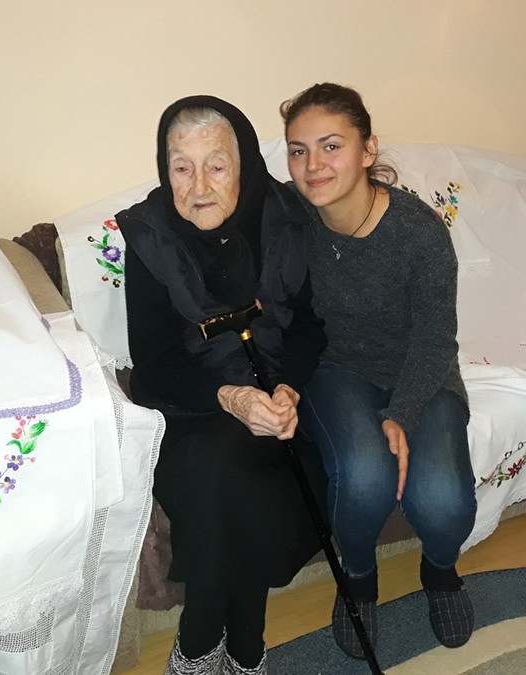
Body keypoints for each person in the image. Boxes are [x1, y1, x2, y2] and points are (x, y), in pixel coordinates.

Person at [116, 95, 327, 675]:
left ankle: (203, 644)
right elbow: (153, 362)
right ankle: (237, 641)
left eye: (217, 165)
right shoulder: (150, 234)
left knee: (235, 473)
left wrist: (288, 390)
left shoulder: (289, 220)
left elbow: (310, 327)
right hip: (189, 405)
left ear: (246, 166)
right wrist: (229, 397)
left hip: (276, 401)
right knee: (219, 470)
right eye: (182, 167)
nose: (199, 186)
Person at [281, 83, 478, 658]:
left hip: (421, 370)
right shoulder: (289, 217)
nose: (313, 166)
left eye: (331, 146)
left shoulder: (418, 231)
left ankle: (440, 571)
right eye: (298, 150)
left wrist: (401, 413)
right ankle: (359, 582)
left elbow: (436, 339)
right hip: (335, 368)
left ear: (368, 150)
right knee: (365, 477)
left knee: (443, 502)